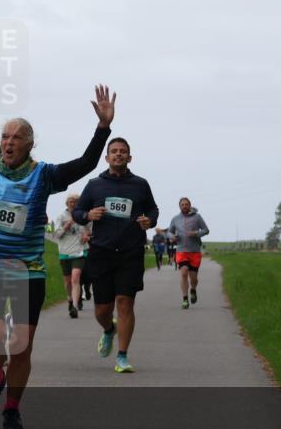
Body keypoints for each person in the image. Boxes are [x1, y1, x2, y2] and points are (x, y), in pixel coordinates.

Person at [0, 84, 115, 429]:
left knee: (21, 346)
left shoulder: (43, 175)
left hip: (27, 273)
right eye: (5, 136)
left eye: (18, 137)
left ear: (30, 144)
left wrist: (102, 128)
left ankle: (12, 410)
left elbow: (86, 163)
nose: (10, 142)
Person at [73, 137, 158, 374]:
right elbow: (77, 211)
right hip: (102, 253)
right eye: (114, 152)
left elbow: (153, 209)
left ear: (129, 158)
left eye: (123, 152)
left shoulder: (140, 184)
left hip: (131, 252)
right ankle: (109, 330)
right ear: (107, 157)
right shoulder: (94, 185)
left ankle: (122, 356)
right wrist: (88, 214)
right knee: (102, 310)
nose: (118, 155)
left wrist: (149, 221)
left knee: (125, 302)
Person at [167, 197, 210, 309]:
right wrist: (172, 237)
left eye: (186, 204)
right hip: (181, 251)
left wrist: (196, 233)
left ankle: (193, 289)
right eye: (182, 204)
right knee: (184, 273)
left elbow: (206, 230)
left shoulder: (197, 217)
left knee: (194, 279)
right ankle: (185, 299)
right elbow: (169, 232)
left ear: (190, 205)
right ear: (179, 206)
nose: (184, 206)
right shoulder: (175, 219)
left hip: (194, 252)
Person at [53, 194, 88, 317]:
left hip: (79, 251)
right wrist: (67, 225)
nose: (74, 204)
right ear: (67, 203)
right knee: (68, 281)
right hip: (65, 252)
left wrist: (87, 236)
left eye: (77, 202)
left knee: (75, 277)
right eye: (72, 202)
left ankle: (74, 307)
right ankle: (70, 300)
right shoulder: (61, 217)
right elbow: (56, 235)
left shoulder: (83, 216)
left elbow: (90, 230)